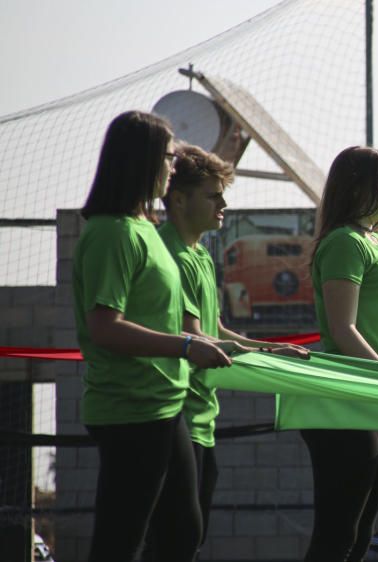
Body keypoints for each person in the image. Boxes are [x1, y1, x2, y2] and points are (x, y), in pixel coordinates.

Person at [73, 111, 231, 562]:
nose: (171, 165)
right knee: (121, 540)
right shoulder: (111, 232)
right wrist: (186, 345)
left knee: (183, 533)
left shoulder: (143, 229)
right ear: (142, 160)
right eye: (166, 156)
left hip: (164, 405)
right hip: (129, 408)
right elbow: (105, 326)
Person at [157, 143, 309, 553]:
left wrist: (270, 350)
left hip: (203, 415)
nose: (224, 203)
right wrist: (263, 357)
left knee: (191, 535)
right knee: (176, 536)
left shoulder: (201, 256)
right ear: (179, 199)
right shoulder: (169, 253)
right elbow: (196, 338)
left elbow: (217, 329)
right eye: (213, 194)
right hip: (173, 412)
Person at [275, 146, 378, 562]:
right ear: (358, 187)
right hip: (348, 406)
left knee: (364, 530)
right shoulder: (345, 243)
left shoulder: (377, 242)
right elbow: (343, 330)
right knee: (338, 533)